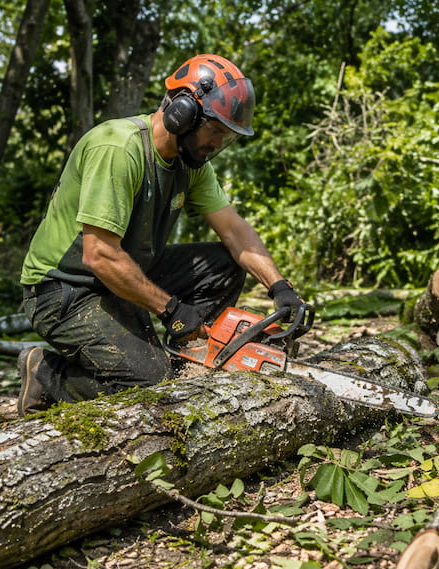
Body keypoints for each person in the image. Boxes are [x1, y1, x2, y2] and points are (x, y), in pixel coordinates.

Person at [17, 53, 306, 416]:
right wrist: (171, 310)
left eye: (226, 136)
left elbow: (234, 229)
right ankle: (47, 374)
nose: (217, 144)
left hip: (123, 272)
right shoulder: (119, 148)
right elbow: (99, 255)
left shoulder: (191, 162)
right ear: (182, 113)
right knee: (150, 385)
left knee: (225, 264)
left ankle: (189, 357)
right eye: (215, 131)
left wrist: (280, 287)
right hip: (65, 289)